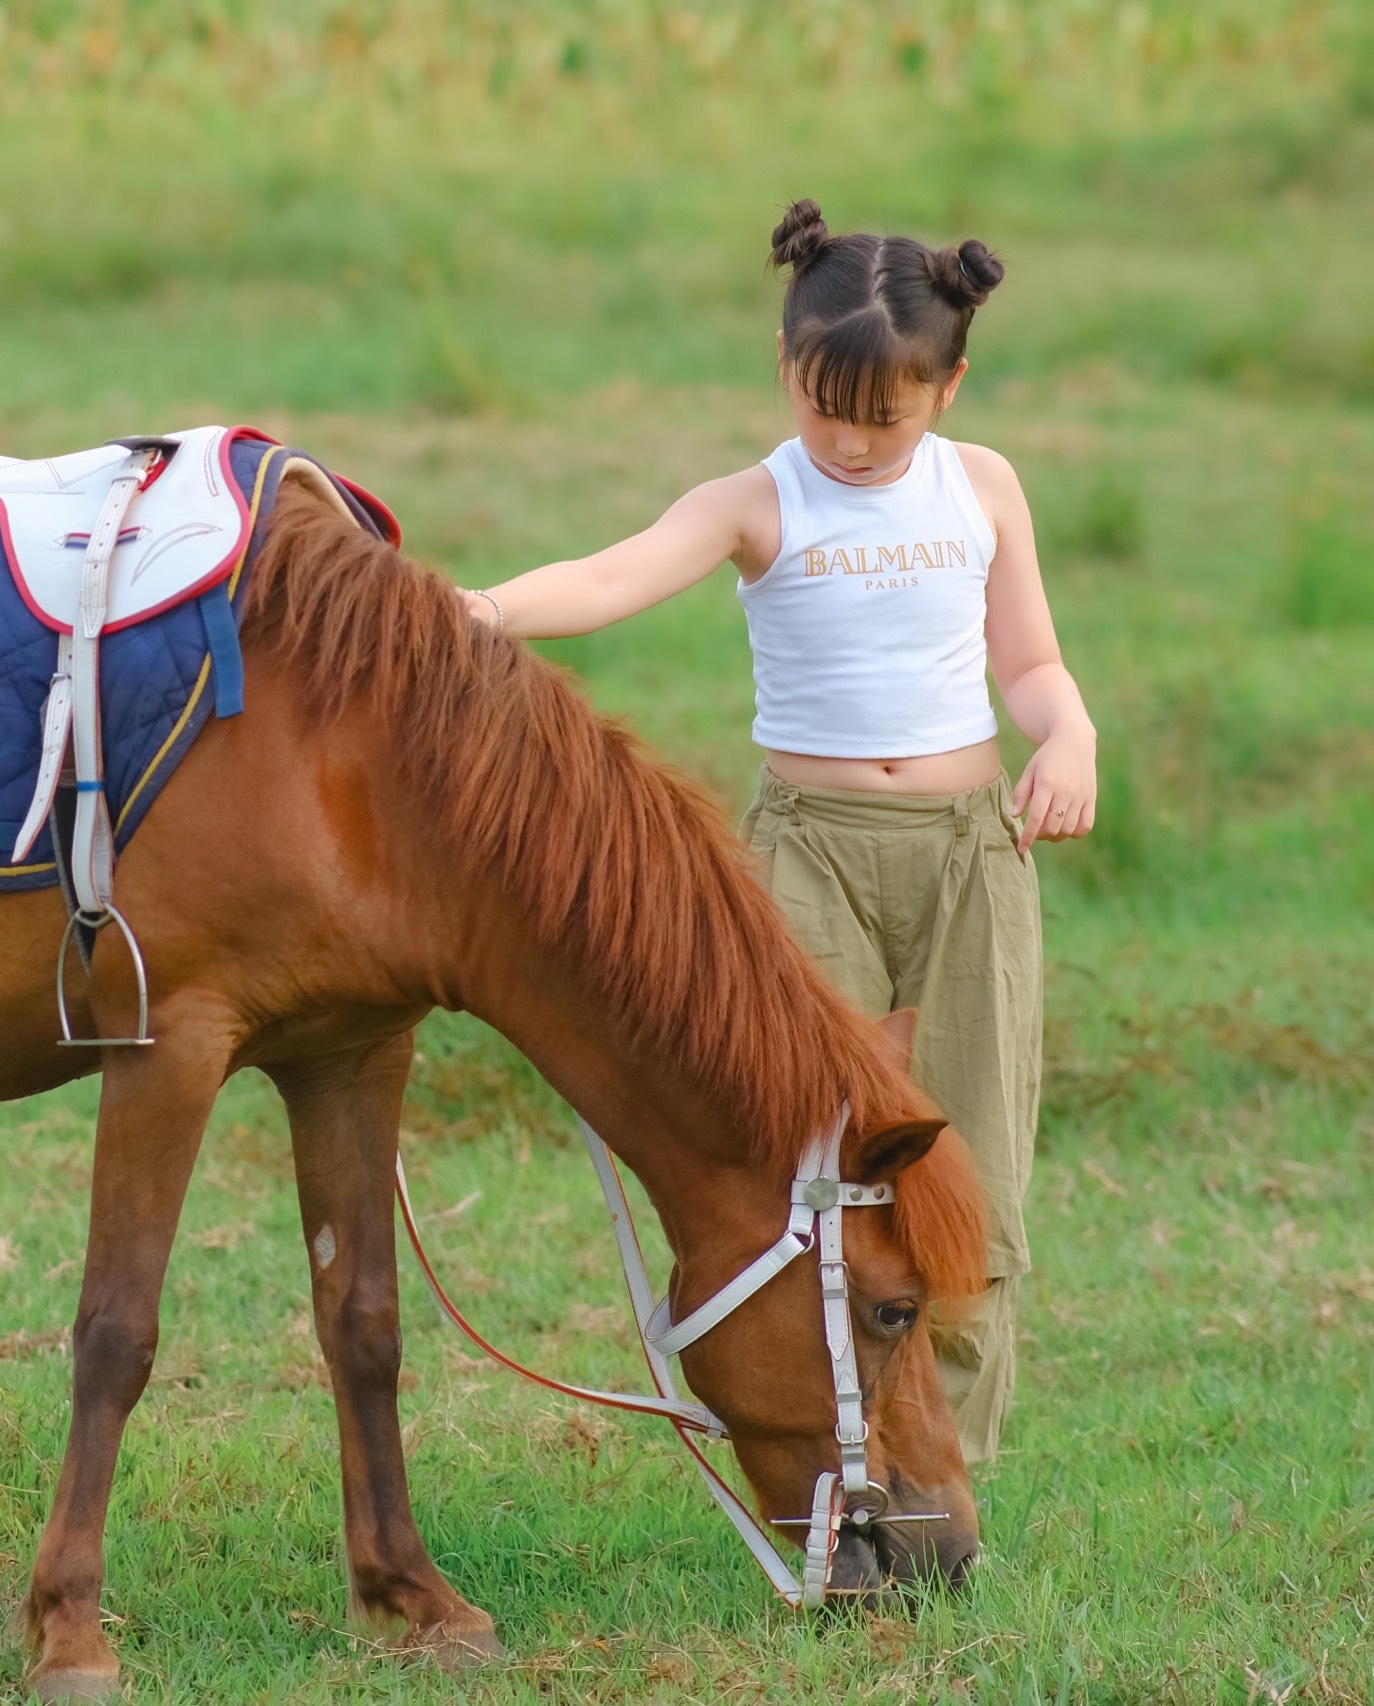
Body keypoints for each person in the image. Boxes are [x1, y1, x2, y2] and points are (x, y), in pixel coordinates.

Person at [460, 199, 1096, 1465]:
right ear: (783, 365)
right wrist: (482, 606)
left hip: (971, 854)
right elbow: (613, 575)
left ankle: (939, 1469)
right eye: (823, 408)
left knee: (968, 1159)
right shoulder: (754, 500)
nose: (851, 443)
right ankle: (834, 1439)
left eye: (885, 417)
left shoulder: (983, 488)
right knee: (816, 1150)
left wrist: (1066, 733)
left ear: (949, 386)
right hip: (808, 855)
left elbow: (1026, 659)